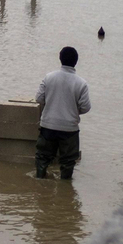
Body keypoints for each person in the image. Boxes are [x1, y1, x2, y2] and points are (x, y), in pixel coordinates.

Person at [34, 46, 90, 179]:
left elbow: (39, 98)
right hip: (69, 129)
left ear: (60, 59)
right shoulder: (81, 83)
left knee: (42, 158)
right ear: (76, 62)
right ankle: (65, 189)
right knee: (68, 162)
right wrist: (72, 111)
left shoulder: (48, 77)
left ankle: (40, 181)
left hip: (48, 125)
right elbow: (86, 107)